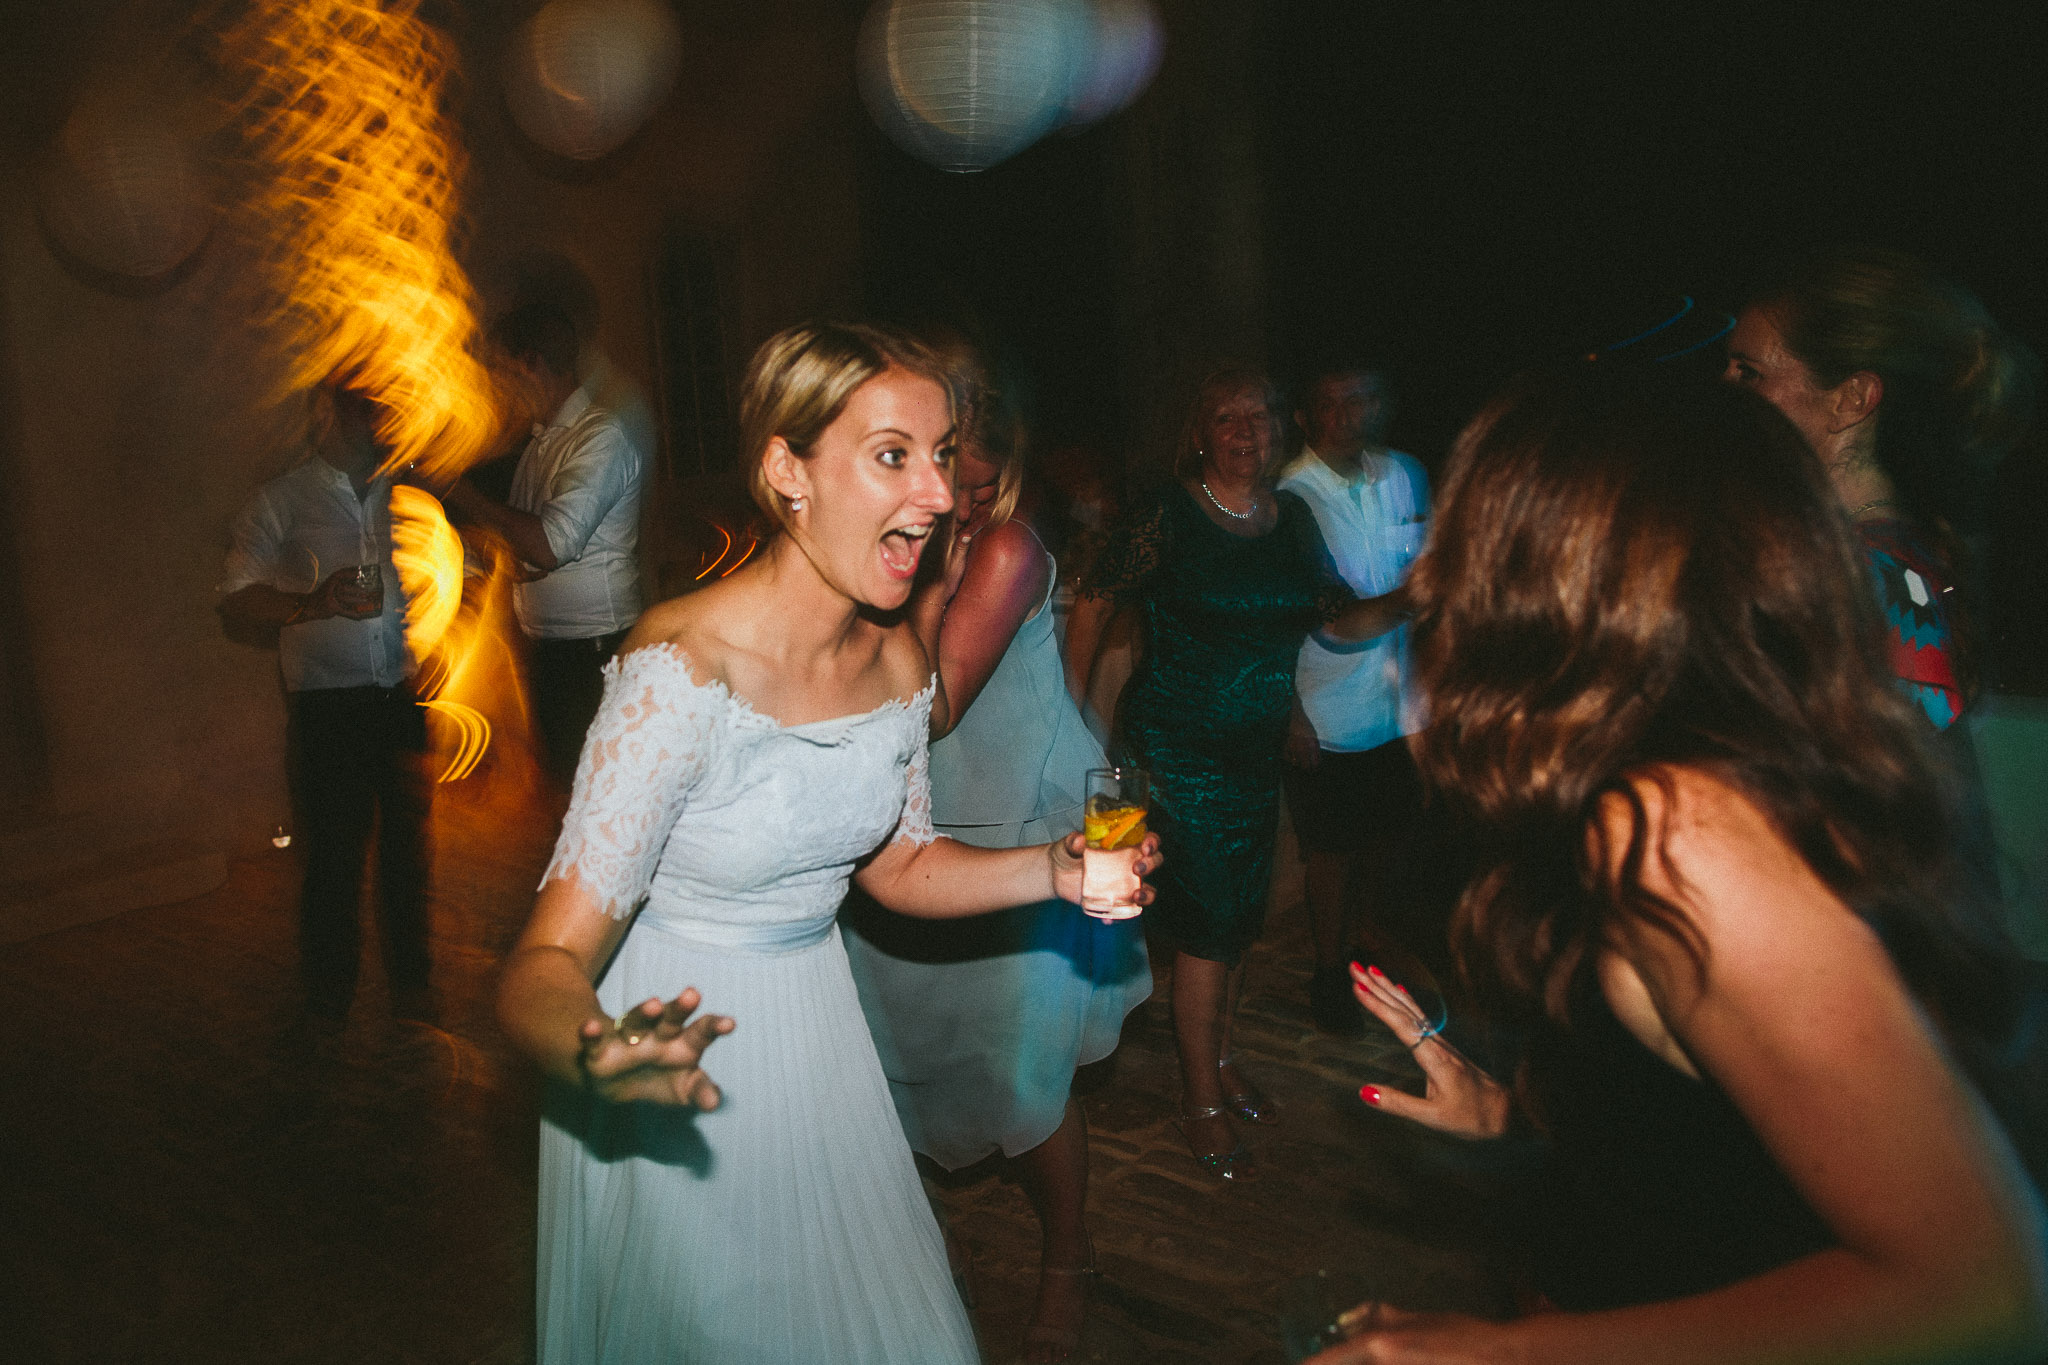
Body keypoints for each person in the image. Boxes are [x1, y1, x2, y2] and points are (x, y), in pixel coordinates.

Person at [1315, 368, 2047, 1365]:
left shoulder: (1676, 834)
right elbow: (1730, 1147)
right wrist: (1518, 1112)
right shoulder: (1714, 771)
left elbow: (1983, 1290)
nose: (1439, 571)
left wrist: (1495, 1354)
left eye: (1476, 528)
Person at [494, 321, 1160, 1365]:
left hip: (820, 1033)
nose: (939, 494)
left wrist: (1049, 870)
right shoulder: (682, 669)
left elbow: (899, 865)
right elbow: (542, 962)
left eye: (942, 454)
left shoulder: (896, 663)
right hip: (680, 1040)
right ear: (786, 472)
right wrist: (599, 1050)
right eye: (893, 455)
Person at [842, 349, 1150, 1363]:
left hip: (1020, 832)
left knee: (1025, 1080)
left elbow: (933, 706)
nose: (958, 504)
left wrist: (927, 577)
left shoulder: (1007, 548)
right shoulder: (883, 535)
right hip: (904, 836)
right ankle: (925, 1244)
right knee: (896, 1057)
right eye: (944, 475)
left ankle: (1068, 1256)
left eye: (978, 483)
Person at [1064, 368, 1407, 1181]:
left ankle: (1217, 1061)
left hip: (1251, 758)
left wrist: (1412, 599)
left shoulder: (1293, 520)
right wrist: (1068, 719)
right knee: (1200, 926)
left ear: (1278, 430)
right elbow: (1095, 603)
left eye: (1259, 415)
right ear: (1201, 434)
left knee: (1237, 923)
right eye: (1227, 417)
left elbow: (1334, 617)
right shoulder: (1168, 514)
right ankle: (1198, 1102)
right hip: (1167, 755)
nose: (1247, 430)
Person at [1724, 246, 2038, 731]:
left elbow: (1903, 764)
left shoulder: (1867, 576)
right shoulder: (1862, 559)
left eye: (1749, 373)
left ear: (1852, 399)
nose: (1722, 390)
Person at [219, 375, 434, 1024]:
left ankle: (414, 990)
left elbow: (455, 568)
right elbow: (237, 598)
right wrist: (311, 603)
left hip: (398, 700)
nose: (387, 425)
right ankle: (328, 999)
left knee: (407, 856)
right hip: (328, 711)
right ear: (333, 417)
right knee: (334, 858)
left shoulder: (407, 494)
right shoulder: (280, 500)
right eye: (373, 413)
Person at [1275, 365, 1430, 1035]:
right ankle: (1329, 969)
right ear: (1305, 416)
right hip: (1326, 704)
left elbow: (1423, 565)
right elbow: (1283, 619)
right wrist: (1291, 714)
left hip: (1399, 700)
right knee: (1331, 851)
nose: (1347, 414)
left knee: (1388, 836)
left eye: (1360, 399)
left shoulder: (1404, 474)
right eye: (1330, 402)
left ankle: (1369, 945)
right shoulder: (1291, 496)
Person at [442, 298, 644, 784]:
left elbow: (550, 545)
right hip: (554, 655)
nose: (496, 386)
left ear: (530, 363)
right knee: (564, 795)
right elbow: (517, 544)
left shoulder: (601, 436)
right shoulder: (540, 444)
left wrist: (455, 489)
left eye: (500, 370)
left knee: (598, 798)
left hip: (595, 656)